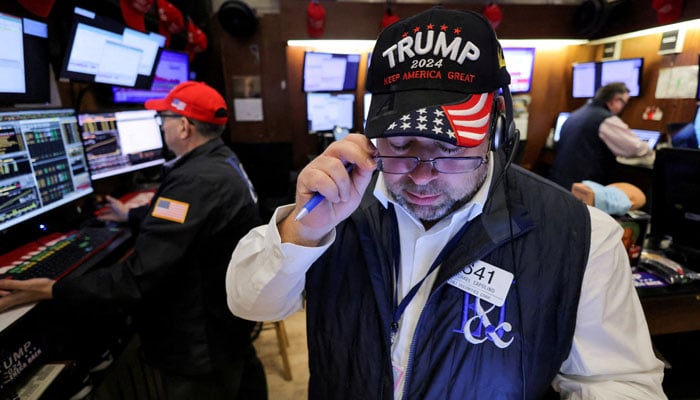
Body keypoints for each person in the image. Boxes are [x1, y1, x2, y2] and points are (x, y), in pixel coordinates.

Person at [226, 8, 666, 400]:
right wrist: (302, 233)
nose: (422, 173)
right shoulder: (339, 200)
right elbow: (250, 306)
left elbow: (622, 383)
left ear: (497, 131)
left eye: (451, 149)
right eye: (400, 143)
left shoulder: (581, 235)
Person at [0, 81, 267, 400]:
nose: (161, 127)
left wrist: (52, 288)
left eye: (163, 119)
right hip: (228, 324)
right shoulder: (219, 160)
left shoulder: (194, 181)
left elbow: (139, 278)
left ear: (183, 127)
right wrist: (134, 216)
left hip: (200, 346)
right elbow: (193, 220)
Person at [549, 82, 655, 191]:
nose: (623, 108)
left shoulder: (575, 114)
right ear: (615, 100)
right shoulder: (605, 119)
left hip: (559, 180)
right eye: (624, 103)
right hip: (582, 186)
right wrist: (649, 149)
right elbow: (636, 147)